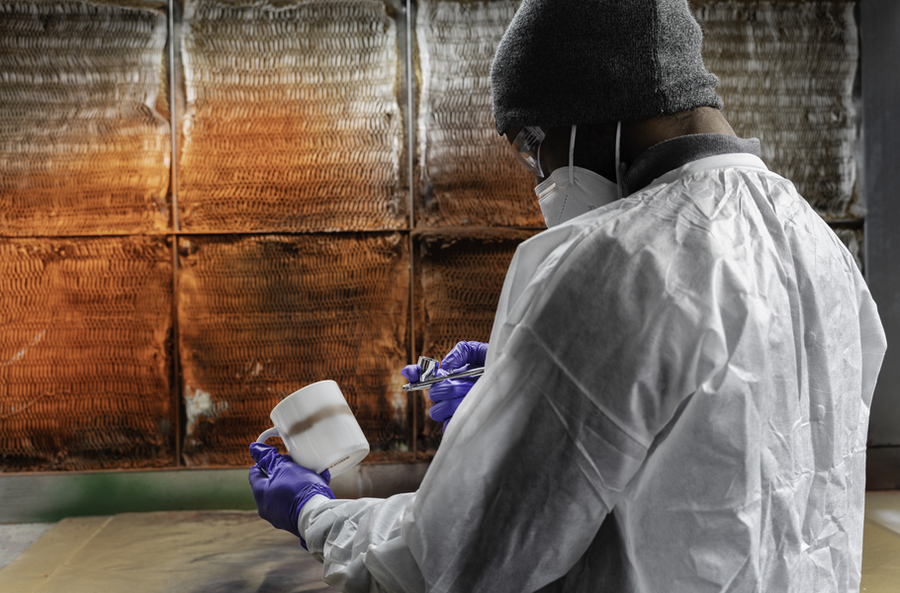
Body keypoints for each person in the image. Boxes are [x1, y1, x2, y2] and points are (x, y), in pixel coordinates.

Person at [249, 0, 887, 591]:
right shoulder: (815, 241)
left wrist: (316, 513)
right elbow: (721, 444)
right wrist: (518, 383)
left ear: (586, 110)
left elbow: (455, 561)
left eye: (532, 146)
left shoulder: (617, 261)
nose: (540, 173)